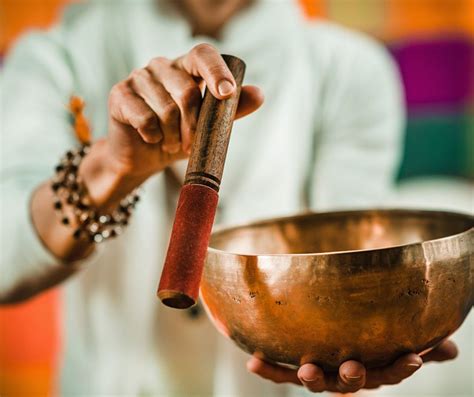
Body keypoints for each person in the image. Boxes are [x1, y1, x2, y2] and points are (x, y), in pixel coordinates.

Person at [0, 0, 458, 395]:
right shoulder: (52, 57)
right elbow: (6, 264)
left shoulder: (351, 68)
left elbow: (348, 266)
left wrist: (364, 342)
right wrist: (112, 167)